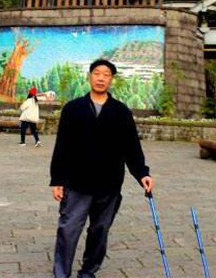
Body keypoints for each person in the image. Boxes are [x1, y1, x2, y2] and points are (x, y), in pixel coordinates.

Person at [49, 59, 154, 278]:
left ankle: (88, 271)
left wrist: (142, 173)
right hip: (77, 183)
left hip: (109, 184)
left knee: (100, 231)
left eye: (106, 74)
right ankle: (61, 274)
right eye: (97, 73)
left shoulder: (121, 111)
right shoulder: (73, 109)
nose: (100, 78)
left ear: (111, 79)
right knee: (68, 230)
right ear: (90, 76)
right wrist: (57, 179)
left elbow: (131, 147)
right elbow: (63, 147)